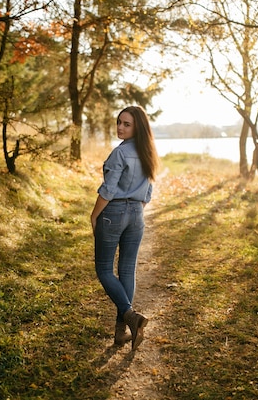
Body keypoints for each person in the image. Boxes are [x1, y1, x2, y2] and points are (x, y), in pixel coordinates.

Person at [90, 105, 159, 350]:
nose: (120, 127)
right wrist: (134, 208)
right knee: (127, 270)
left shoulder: (120, 154)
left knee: (104, 269)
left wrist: (95, 215)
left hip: (114, 213)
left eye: (126, 124)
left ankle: (130, 316)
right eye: (119, 122)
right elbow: (148, 192)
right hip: (137, 215)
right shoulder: (148, 152)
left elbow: (108, 190)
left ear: (138, 126)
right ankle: (121, 333)